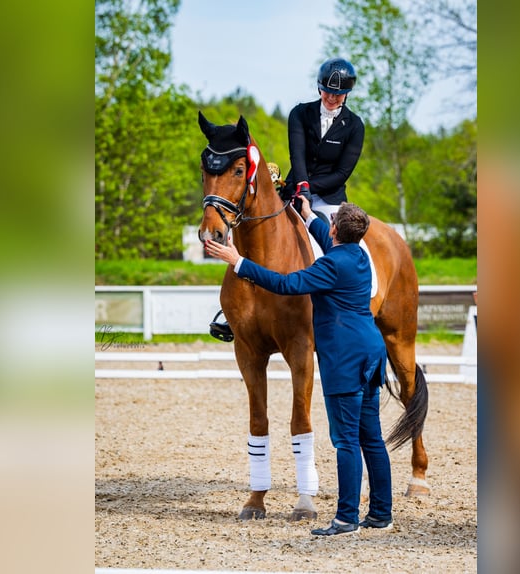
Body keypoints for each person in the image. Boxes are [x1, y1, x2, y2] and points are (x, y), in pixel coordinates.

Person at [204, 200, 393, 536]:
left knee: (346, 440)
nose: (327, 226)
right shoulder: (359, 255)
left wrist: (238, 262)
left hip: (345, 359)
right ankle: (381, 513)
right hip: (372, 351)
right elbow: (329, 237)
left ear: (335, 228)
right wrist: (306, 216)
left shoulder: (332, 266)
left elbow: (286, 285)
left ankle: (347, 518)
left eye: (329, 223)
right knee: (372, 437)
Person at [281, 58, 365, 225]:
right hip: (295, 188)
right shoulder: (299, 113)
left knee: (334, 239)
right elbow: (297, 155)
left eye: (338, 94)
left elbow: (341, 174)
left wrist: (308, 188)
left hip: (330, 198)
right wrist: (301, 187)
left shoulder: (354, 126)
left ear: (347, 93)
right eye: (327, 91)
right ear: (319, 88)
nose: (332, 98)